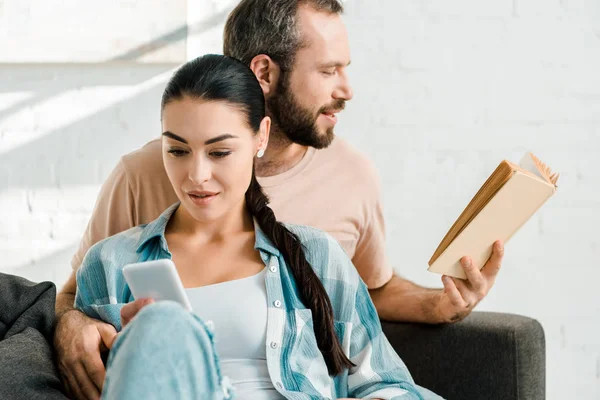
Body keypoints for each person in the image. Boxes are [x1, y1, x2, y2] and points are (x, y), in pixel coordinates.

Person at [55, 1, 503, 398]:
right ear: (265, 72)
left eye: (220, 151)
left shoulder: (334, 207)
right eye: (328, 70)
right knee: (161, 325)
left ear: (258, 137)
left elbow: (370, 301)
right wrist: (72, 326)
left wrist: (440, 305)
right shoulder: (128, 212)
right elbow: (72, 301)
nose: (197, 175)